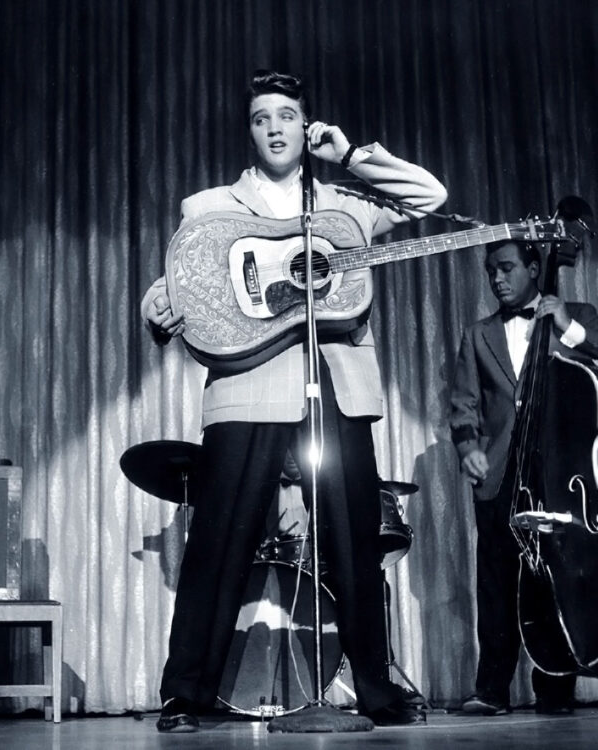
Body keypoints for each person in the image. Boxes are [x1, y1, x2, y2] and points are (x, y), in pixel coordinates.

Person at [142, 69, 447, 733]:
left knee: (354, 542)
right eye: (261, 118)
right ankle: (186, 693)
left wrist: (351, 155)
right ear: (249, 131)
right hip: (247, 386)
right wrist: (156, 306)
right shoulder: (210, 206)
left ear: (305, 126)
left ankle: (376, 692)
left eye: (286, 115)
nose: (275, 127)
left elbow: (429, 197)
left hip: (336, 380)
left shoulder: (345, 203)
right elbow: (178, 283)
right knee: (217, 540)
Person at [450, 239, 598, 716]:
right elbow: (464, 403)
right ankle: (490, 690)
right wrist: (469, 447)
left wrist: (568, 328)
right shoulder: (478, 333)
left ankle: (554, 689)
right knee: (496, 583)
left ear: (536, 268)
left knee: (554, 579)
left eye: (507, 268)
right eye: (491, 271)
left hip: (559, 473)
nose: (497, 278)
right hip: (499, 472)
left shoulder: (579, 315)